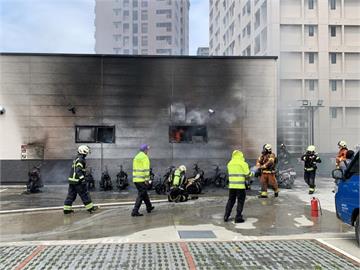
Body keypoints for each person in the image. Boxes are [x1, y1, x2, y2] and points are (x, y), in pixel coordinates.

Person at [63, 145, 98, 214]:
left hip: (72, 181)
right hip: (78, 181)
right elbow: (78, 170)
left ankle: (66, 210)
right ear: (83, 152)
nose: (87, 154)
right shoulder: (81, 159)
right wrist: (82, 179)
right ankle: (90, 208)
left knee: (71, 195)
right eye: (86, 152)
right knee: (84, 194)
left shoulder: (77, 158)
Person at [224, 150, 252, 223]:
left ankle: (226, 215)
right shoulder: (243, 163)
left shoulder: (229, 163)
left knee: (231, 200)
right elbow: (247, 174)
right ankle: (238, 217)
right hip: (240, 186)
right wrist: (253, 174)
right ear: (241, 156)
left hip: (232, 186)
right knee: (240, 201)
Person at [131, 144, 154, 217]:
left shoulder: (136, 156)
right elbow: (146, 170)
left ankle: (149, 207)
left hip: (136, 179)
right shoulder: (145, 157)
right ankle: (135, 211)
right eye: (147, 149)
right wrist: (147, 179)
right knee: (141, 195)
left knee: (144, 193)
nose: (148, 151)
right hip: (142, 179)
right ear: (145, 150)